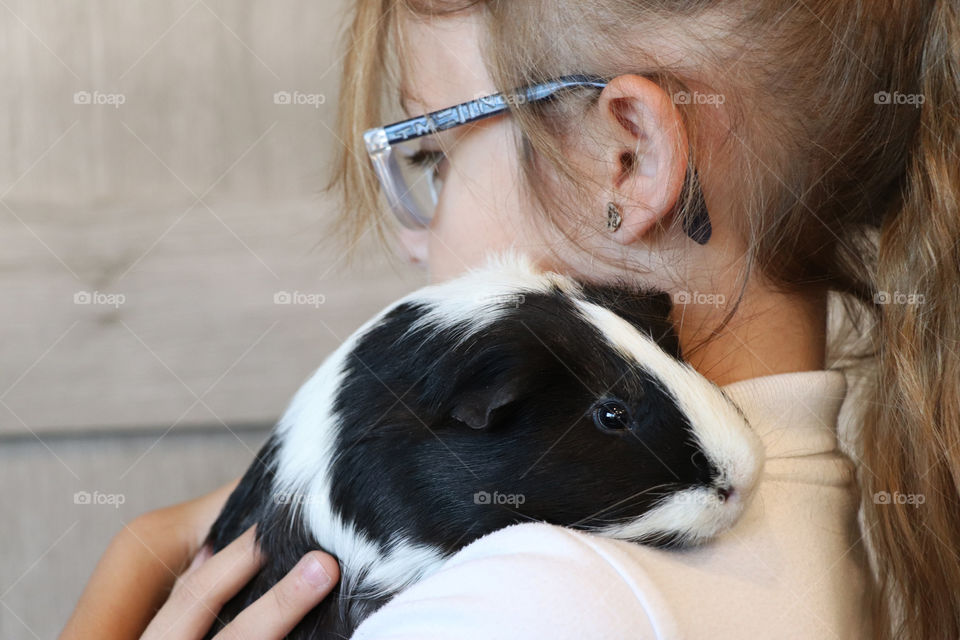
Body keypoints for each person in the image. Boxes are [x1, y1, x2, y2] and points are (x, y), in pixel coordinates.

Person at [62, 1, 960, 638]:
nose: (412, 242)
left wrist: (119, 577)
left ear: (623, 158)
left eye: (433, 155)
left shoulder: (532, 605)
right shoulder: (819, 511)